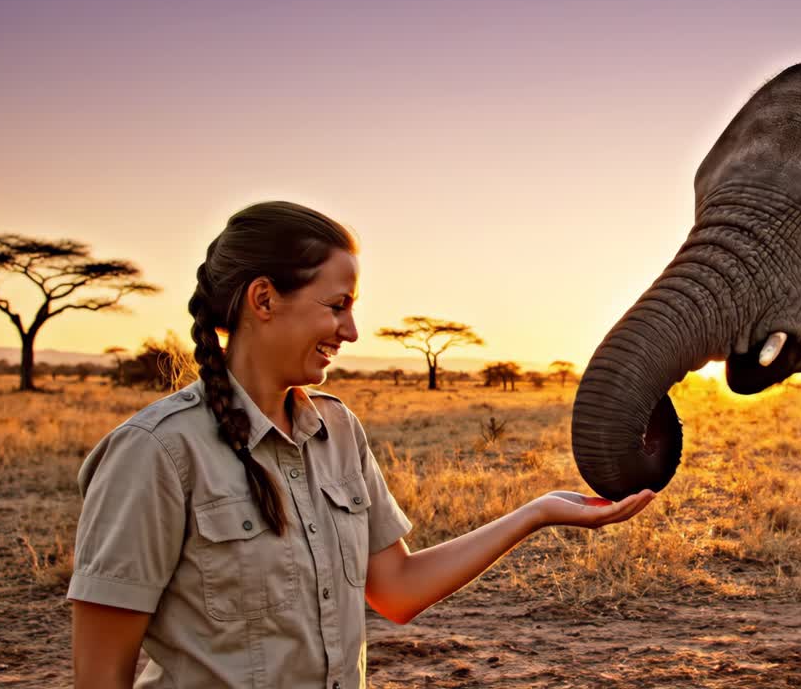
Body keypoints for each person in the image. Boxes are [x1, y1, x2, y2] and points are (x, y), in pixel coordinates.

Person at [67, 201, 656, 689]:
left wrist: (535, 514)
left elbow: (395, 591)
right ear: (264, 299)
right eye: (337, 306)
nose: (350, 331)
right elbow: (100, 676)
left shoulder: (336, 432)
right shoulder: (155, 453)